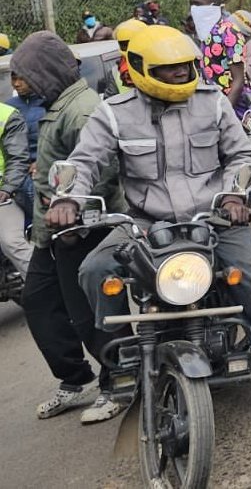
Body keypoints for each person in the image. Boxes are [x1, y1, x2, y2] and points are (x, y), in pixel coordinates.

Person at [49, 25, 251, 429]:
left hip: (211, 218)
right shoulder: (114, 112)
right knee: (94, 270)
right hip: (145, 225)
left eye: (186, 66)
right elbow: (85, 161)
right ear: (141, 69)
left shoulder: (211, 104)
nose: (181, 74)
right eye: (170, 69)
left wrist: (234, 195)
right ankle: (122, 365)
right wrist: (68, 199)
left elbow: (241, 157)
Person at [11, 32, 126, 422]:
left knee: (89, 311)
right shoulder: (58, 105)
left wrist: (72, 209)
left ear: (46, 72)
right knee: (39, 301)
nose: (16, 84)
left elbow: (105, 171)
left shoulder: (83, 110)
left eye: (22, 75)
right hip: (52, 230)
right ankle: (75, 379)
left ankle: (118, 381)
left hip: (83, 229)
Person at [190, 0, 246, 109]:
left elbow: (239, 80)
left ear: (214, 6)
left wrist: (225, 112)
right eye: (191, 4)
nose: (193, 9)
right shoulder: (204, 33)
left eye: (198, 4)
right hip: (211, 103)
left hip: (232, 104)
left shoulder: (229, 31)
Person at [0, 90, 33, 277]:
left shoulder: (6, 115)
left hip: (5, 194)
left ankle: (48, 292)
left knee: (11, 242)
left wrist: (6, 188)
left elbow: (18, 159)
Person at [7, 71, 46, 225]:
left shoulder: (49, 103)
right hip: (17, 171)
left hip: (42, 171)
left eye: (22, 78)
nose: (17, 84)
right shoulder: (8, 106)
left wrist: (41, 162)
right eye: (13, 78)